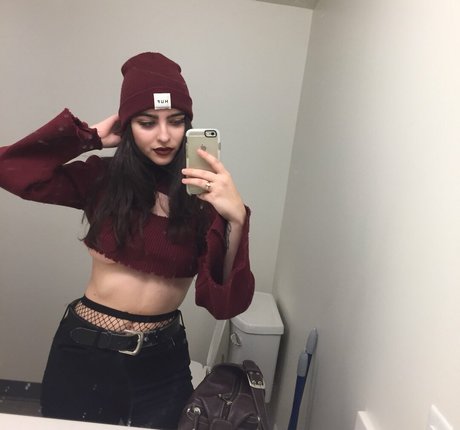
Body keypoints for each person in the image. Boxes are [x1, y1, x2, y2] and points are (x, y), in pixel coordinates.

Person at [0, 52, 254, 429]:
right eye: (147, 122)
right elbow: (10, 170)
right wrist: (88, 138)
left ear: (188, 125)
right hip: (84, 352)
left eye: (176, 121)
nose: (164, 136)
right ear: (128, 125)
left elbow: (224, 305)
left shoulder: (204, 200)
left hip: (164, 362)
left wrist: (235, 219)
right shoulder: (102, 180)